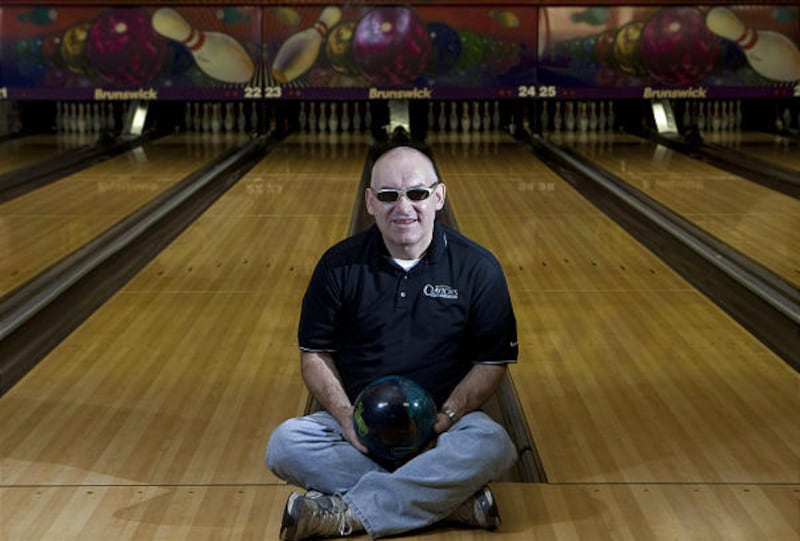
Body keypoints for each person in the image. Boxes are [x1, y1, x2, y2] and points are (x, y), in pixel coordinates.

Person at [266, 145, 519, 541]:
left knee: (493, 443)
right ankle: (449, 501)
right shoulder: (338, 266)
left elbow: (491, 362)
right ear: (369, 201)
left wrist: (448, 416)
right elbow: (314, 354)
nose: (404, 207)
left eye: (417, 193)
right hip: (358, 430)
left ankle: (348, 512)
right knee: (285, 444)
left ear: (438, 196)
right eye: (388, 195)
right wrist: (347, 417)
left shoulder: (478, 268)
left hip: (442, 431)